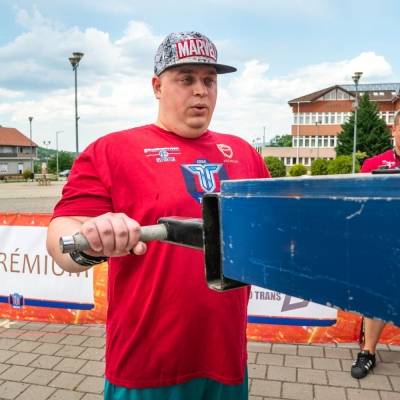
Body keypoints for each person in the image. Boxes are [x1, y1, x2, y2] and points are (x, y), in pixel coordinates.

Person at [46, 31, 270, 400]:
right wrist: (91, 239)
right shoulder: (112, 150)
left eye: (209, 80)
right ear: (157, 86)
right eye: (186, 79)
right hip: (145, 366)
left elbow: (274, 230)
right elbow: (61, 237)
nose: (200, 91)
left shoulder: (244, 153)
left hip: (227, 360)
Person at [351, 110, 400, 379]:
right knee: (375, 294)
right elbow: (361, 206)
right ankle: (368, 352)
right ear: (394, 130)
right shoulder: (374, 164)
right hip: (384, 246)